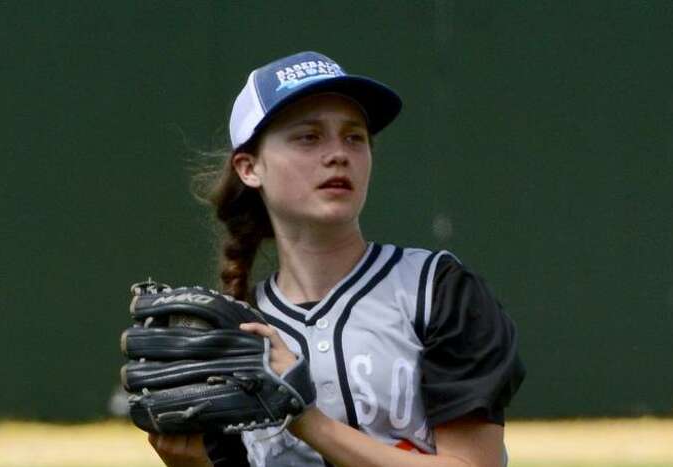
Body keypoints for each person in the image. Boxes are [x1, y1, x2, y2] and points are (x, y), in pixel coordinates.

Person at [147, 51, 525, 467]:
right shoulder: (238, 335)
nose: (338, 154)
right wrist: (193, 464)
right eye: (309, 137)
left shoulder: (436, 291)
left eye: (354, 136)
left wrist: (306, 419)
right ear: (249, 167)